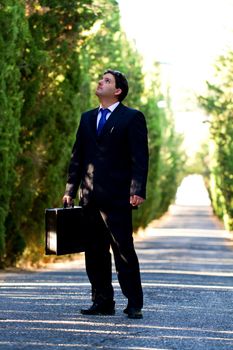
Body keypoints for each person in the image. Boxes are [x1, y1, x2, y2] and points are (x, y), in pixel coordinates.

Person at [63, 69, 149, 319]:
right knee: (94, 252)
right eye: (101, 79)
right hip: (88, 198)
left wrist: (137, 189)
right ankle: (102, 301)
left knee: (123, 251)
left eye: (107, 80)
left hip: (118, 197)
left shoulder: (131, 118)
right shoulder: (87, 118)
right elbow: (77, 157)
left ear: (118, 90)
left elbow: (140, 158)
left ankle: (134, 302)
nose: (101, 82)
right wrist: (70, 189)